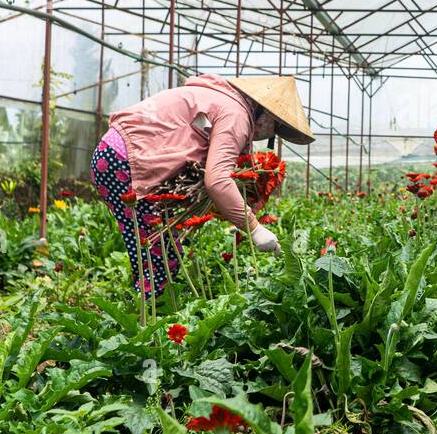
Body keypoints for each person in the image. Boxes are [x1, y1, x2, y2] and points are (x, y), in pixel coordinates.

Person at [91, 74, 314, 295]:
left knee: (156, 248)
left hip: (113, 155)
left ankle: (148, 310)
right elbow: (217, 180)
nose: (265, 135)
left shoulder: (218, 97)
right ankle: (148, 319)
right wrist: (254, 228)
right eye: (273, 129)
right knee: (159, 256)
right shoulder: (236, 114)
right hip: (126, 162)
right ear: (265, 114)